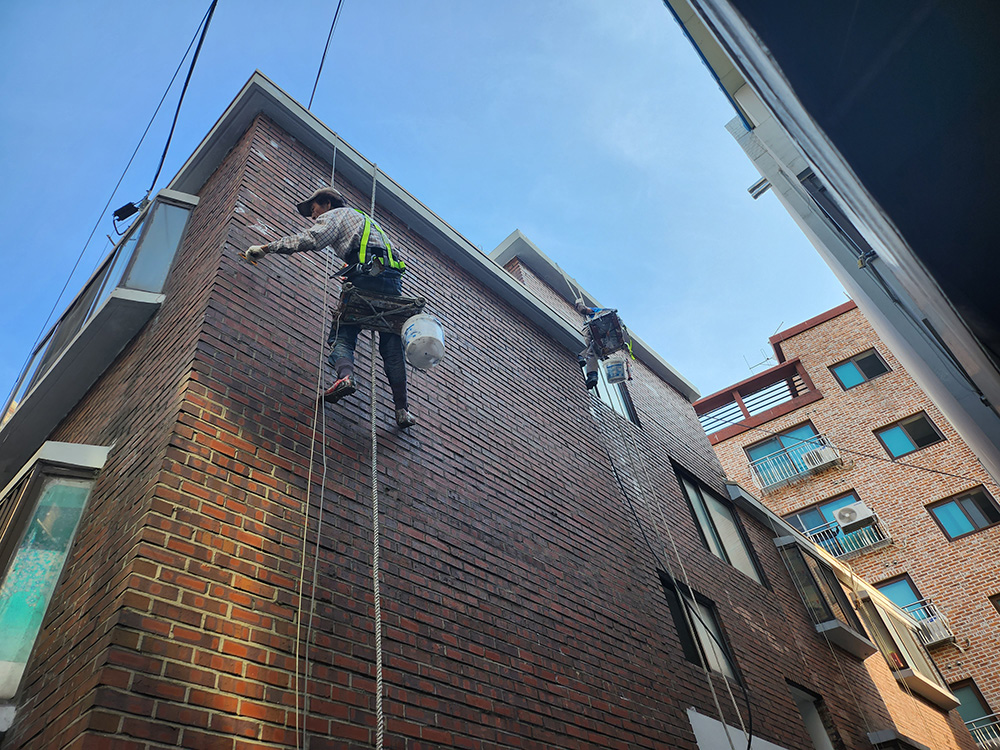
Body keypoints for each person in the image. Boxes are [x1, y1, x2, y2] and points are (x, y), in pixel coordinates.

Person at [244, 186, 417, 428]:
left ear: (327, 203)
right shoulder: (367, 221)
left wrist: (266, 248)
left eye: (313, 209)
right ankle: (402, 410)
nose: (313, 216)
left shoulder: (336, 215)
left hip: (366, 274)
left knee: (342, 333)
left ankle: (345, 378)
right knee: (391, 344)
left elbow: (312, 239)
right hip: (392, 282)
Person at [575, 298, 609, 390]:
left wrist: (579, 303)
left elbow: (584, 310)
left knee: (586, 336)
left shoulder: (598, 311)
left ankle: (581, 357)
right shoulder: (608, 320)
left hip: (595, 330)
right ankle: (592, 376)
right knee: (592, 352)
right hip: (603, 340)